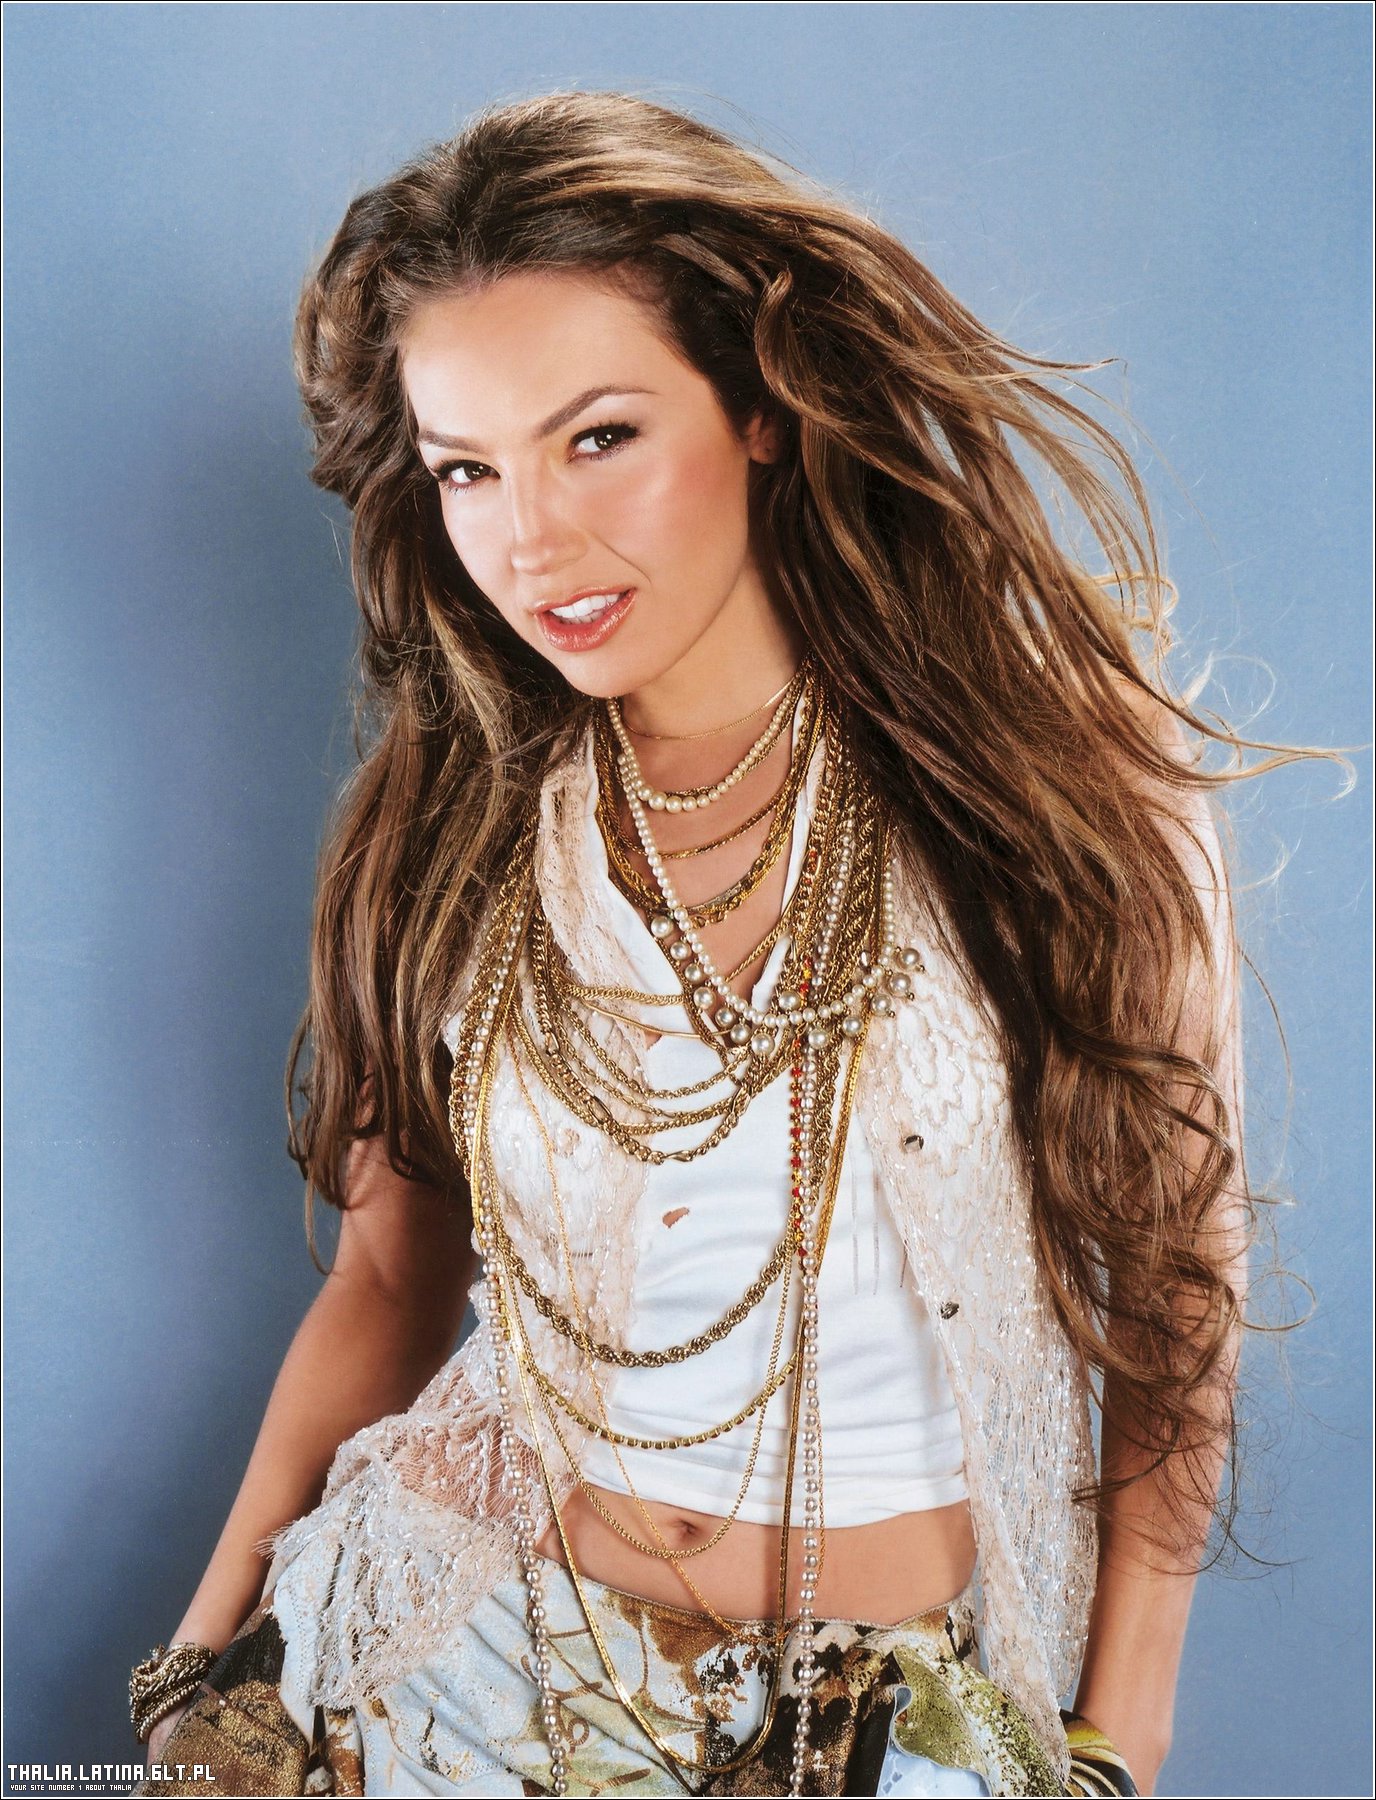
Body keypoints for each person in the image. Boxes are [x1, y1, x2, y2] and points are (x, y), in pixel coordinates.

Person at [129, 89, 1280, 1798]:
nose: (532, 540)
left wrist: (1120, 1740)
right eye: (468, 469)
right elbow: (388, 1276)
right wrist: (201, 1664)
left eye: (598, 437)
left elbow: (1177, 1288)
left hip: (885, 1724)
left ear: (759, 407)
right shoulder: (448, 814)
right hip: (452, 1661)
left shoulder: (1056, 788)